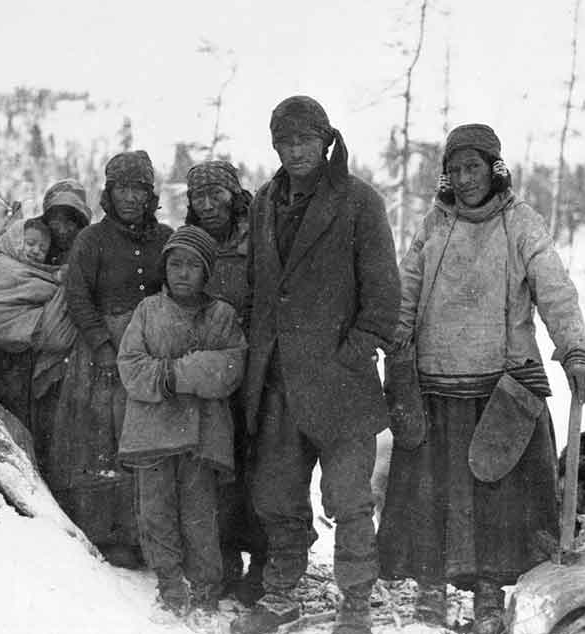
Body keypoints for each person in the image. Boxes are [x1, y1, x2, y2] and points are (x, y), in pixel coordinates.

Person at [376, 123, 585, 634]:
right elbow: (407, 288)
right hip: (437, 382)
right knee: (434, 497)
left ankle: (489, 596)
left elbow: (556, 290)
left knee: (500, 505)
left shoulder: (522, 224)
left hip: (504, 387)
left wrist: (575, 351)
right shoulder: (434, 224)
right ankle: (431, 588)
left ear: (494, 169)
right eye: (454, 169)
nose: (464, 178)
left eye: (473, 167)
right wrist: (395, 338)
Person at [231, 96, 400, 634]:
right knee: (277, 495)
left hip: (340, 381)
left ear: (326, 142)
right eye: (285, 140)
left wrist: (354, 351)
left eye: (306, 139)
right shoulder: (263, 203)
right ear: (275, 145)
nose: (296, 150)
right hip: (278, 379)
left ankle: (354, 601)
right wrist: (258, 357)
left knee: (348, 498)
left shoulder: (358, 202)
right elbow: (259, 289)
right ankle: (282, 594)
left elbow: (383, 294)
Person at [116, 225, 247, 630]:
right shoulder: (148, 311)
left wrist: (177, 371)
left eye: (193, 265)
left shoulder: (222, 315)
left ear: (207, 272)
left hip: (202, 434)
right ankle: (170, 587)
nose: (183, 273)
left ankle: (206, 589)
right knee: (156, 512)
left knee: (198, 513)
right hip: (152, 431)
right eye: (175, 264)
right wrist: (176, 378)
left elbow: (229, 368)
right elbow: (131, 366)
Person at [50, 150, 174, 569]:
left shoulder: (164, 238)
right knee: (102, 439)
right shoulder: (92, 240)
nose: (130, 197)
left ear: (149, 194)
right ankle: (108, 534)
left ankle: (148, 535)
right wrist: (101, 344)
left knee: (147, 440)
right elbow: (78, 295)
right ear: (109, 191)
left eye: (138, 189)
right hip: (102, 353)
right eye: (122, 188)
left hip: (151, 353)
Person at [183, 160, 268, 605]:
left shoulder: (259, 235)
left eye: (217, 193)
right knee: (218, 465)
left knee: (262, 465)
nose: (209, 204)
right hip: (213, 371)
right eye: (200, 196)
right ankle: (224, 559)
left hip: (256, 367)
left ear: (234, 194)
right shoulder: (192, 244)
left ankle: (264, 564)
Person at [0, 218, 75, 469]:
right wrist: (62, 281)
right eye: (30, 243)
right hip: (6, 346)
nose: (35, 251)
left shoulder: (34, 271)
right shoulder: (4, 265)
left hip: (24, 344)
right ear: (15, 240)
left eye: (42, 249)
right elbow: (40, 289)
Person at [38, 178, 91, 266]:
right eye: (55, 224)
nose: (62, 231)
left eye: (69, 223)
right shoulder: (36, 240)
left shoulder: (89, 246)